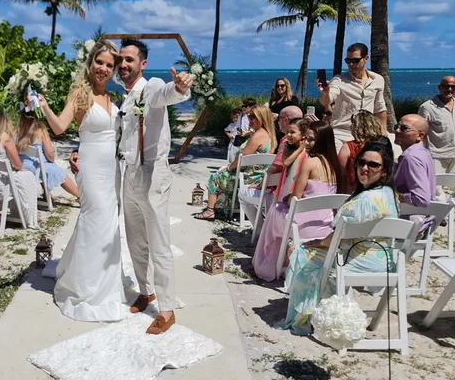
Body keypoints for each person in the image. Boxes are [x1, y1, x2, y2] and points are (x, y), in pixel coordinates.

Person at [34, 40, 127, 322]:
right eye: (100, 62)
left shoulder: (114, 98)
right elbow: (61, 127)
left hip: (111, 170)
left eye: (110, 65)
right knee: (94, 220)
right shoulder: (79, 93)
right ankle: (85, 285)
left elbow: (116, 136)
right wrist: (45, 106)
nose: (104, 69)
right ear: (90, 63)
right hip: (90, 169)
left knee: (109, 223)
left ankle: (105, 281)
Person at [114, 38, 193, 334]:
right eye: (120, 59)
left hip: (153, 174)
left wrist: (181, 86)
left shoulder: (152, 87)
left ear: (143, 64)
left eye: (129, 60)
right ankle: (146, 291)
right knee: (135, 240)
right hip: (130, 173)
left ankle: (167, 309)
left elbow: (168, 93)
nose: (123, 64)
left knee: (159, 243)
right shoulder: (123, 97)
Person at [282, 139, 399, 335]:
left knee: (299, 252)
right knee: (311, 252)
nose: (365, 168)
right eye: (361, 162)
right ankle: (319, 308)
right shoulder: (388, 194)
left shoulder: (364, 201)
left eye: (373, 164)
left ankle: (308, 316)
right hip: (384, 262)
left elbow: (339, 238)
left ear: (384, 171)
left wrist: (314, 243)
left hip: (357, 261)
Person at [254, 121, 342, 282]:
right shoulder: (336, 165)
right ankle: (281, 262)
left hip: (302, 226)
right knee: (279, 210)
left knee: (276, 209)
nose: (307, 143)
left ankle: (267, 263)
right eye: (306, 139)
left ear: (321, 140)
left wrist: (287, 198)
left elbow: (296, 198)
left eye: (311, 139)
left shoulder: (310, 162)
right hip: (326, 225)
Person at [194, 105, 278, 220]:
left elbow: (242, 160)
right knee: (223, 173)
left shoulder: (258, 136)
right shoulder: (270, 135)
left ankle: (210, 210)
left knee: (215, 177)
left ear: (261, 118)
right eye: (249, 116)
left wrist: (228, 168)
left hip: (248, 179)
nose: (249, 119)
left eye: (253, 117)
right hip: (259, 178)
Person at [318, 43, 388, 152]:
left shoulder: (378, 80)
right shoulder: (339, 80)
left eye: (355, 60)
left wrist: (383, 135)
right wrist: (325, 93)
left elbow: (380, 109)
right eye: (348, 61)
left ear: (366, 59)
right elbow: (325, 101)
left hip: (368, 135)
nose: (351, 64)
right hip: (341, 134)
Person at [417, 76, 455, 197]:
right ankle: (439, 212)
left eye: (453, 86)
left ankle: (434, 212)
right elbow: (419, 131)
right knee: (435, 189)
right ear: (439, 87)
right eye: (446, 86)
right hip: (436, 155)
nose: (449, 89)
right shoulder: (427, 107)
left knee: (443, 186)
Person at [15, 111, 80, 200]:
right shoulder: (40, 131)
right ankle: (79, 196)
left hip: (22, 166)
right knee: (59, 172)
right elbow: (49, 153)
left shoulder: (16, 132)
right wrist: (52, 161)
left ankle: (47, 193)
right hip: (37, 167)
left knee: (46, 168)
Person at [392, 114, 436, 232]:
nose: (397, 130)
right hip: (422, 220)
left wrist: (397, 196)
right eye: (397, 126)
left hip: (411, 224)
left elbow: (421, 198)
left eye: (404, 128)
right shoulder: (422, 152)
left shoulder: (411, 158)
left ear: (420, 136)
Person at [338, 110, 388, 193]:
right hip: (379, 191)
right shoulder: (384, 146)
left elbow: (340, 174)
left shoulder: (348, 147)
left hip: (352, 192)